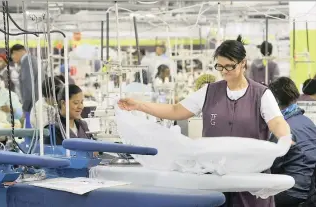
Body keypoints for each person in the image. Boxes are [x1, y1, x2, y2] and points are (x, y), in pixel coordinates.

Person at [118, 35, 291, 207]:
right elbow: (176, 110)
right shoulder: (209, 91)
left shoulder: (261, 94)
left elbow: (276, 122)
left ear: (243, 63)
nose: (224, 71)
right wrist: (139, 105)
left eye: (229, 66)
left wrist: (284, 137)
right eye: (220, 66)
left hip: (251, 180)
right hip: (214, 180)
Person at [268, 77, 316, 207]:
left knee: (253, 197)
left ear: (274, 101)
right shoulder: (308, 122)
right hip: (311, 189)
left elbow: (271, 164)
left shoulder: (283, 128)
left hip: (294, 191)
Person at [10, 44, 43, 123]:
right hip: (38, 103)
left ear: (16, 52)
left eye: (12, 55)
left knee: (30, 131)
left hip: (32, 106)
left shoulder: (26, 62)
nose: (13, 58)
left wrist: (25, 108)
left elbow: (28, 87)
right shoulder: (33, 60)